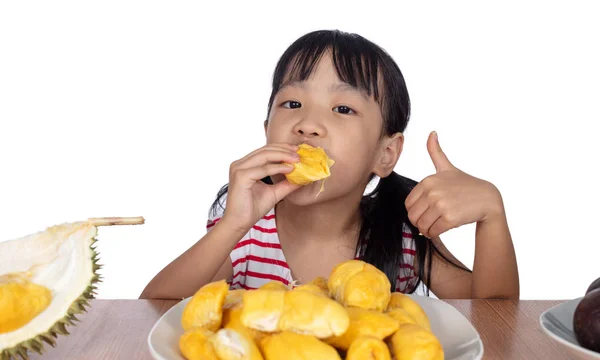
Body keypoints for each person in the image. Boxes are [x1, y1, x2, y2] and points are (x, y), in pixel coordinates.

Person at [140, 29, 519, 300]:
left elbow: (494, 320)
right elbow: (154, 309)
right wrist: (232, 225)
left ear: (385, 154)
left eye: (342, 108)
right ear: (267, 130)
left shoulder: (400, 233)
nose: (307, 123)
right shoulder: (247, 235)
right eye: (291, 104)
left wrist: (492, 216)